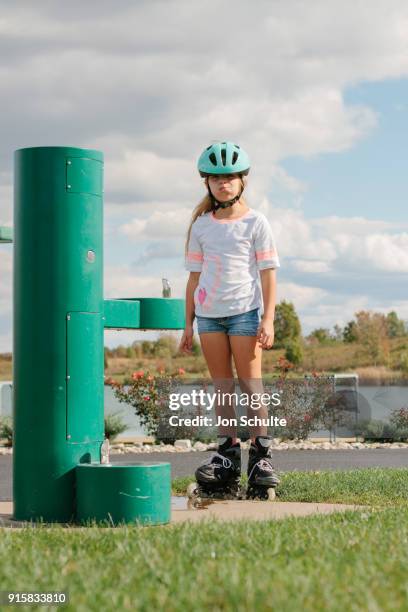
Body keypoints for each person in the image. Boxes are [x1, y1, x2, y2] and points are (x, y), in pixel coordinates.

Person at [178, 141, 280, 498]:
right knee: (222, 386)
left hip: (244, 315)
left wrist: (268, 319)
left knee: (251, 385)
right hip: (208, 318)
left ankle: (261, 457)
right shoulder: (201, 226)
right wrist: (187, 324)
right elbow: (193, 279)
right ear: (207, 183)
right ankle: (227, 455)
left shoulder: (256, 222)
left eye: (230, 177)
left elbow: (268, 273)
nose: (224, 183)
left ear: (242, 181)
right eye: (216, 178)